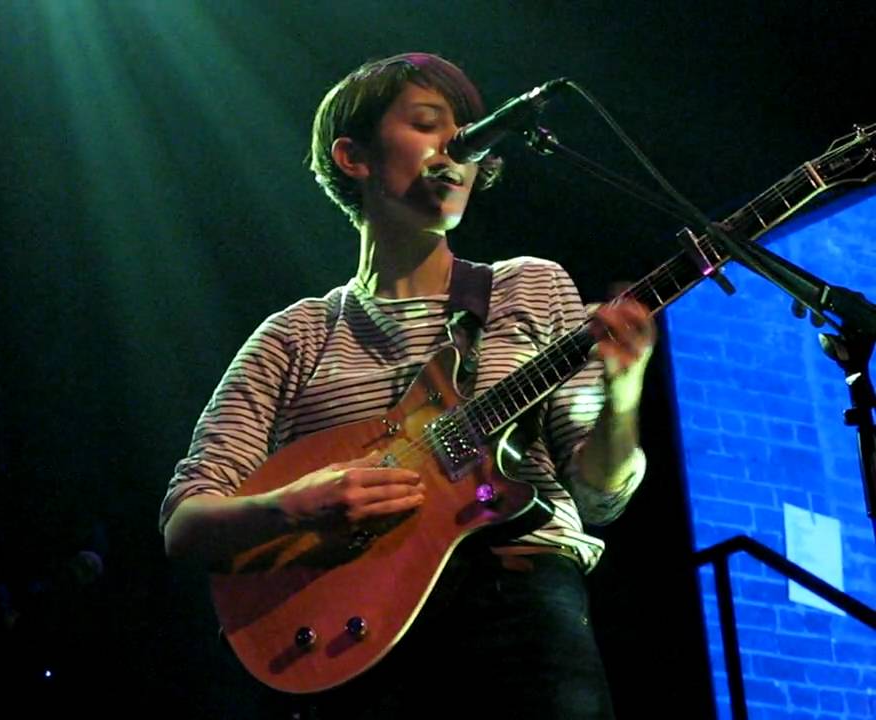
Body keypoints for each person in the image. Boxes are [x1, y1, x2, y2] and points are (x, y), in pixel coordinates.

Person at [160, 52, 656, 719]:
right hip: (355, 634)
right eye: (428, 124)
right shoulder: (295, 336)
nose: (457, 148)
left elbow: (599, 497)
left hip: (521, 600)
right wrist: (295, 507)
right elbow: (186, 521)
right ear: (353, 156)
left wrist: (623, 397)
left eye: (469, 137)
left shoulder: (528, 286)